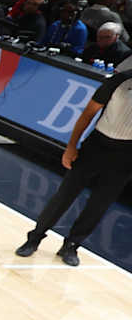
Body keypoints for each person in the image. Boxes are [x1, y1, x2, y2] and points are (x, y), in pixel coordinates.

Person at [16, 61, 132, 265]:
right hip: (97, 145)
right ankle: (35, 237)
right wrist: (71, 146)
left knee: (99, 204)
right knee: (64, 195)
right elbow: (88, 113)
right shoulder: (120, 80)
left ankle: (71, 246)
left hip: (126, 156)